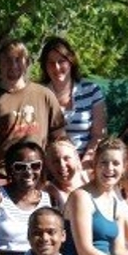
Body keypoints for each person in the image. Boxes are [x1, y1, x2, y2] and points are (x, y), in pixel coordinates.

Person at [0, 39, 66, 183]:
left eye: (18, 59)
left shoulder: (44, 95)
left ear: (27, 63)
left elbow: (59, 138)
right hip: (1, 177)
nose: (13, 65)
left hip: (36, 174)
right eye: (7, 61)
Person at [0, 141, 55, 255]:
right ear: (10, 169)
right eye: (20, 167)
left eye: (35, 165)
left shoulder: (48, 199)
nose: (28, 172)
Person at [38, 37, 107, 168]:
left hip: (86, 163)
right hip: (51, 165)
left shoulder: (91, 91)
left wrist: (85, 165)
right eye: (51, 63)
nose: (56, 67)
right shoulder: (39, 94)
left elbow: (99, 135)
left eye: (61, 61)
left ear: (71, 62)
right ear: (44, 66)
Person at [43, 137, 90, 212]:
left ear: (77, 159)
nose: (62, 165)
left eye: (66, 158)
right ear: (48, 165)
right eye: (56, 161)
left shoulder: (91, 177)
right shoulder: (48, 192)